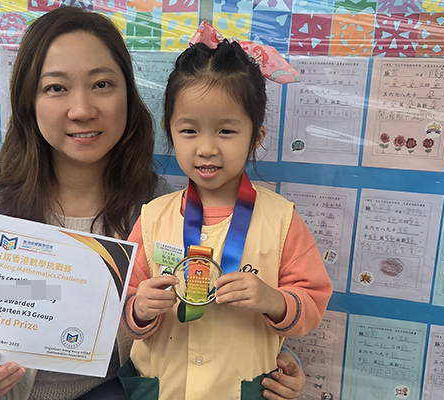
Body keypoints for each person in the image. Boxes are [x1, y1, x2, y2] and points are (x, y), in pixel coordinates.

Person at [0, 7, 307, 400]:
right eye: (56, 88)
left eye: (102, 84)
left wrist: (273, 363)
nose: (82, 110)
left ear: (128, 95)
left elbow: (199, 315)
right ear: (28, 100)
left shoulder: (157, 208)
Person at [120, 27, 333, 400]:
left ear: (256, 137)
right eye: (189, 131)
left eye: (226, 131)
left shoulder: (282, 220)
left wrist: (274, 300)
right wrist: (140, 308)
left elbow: (312, 301)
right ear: (170, 132)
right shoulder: (153, 217)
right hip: (163, 390)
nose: (206, 148)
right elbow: (124, 305)